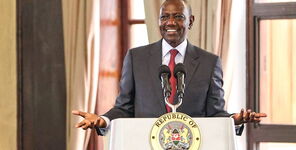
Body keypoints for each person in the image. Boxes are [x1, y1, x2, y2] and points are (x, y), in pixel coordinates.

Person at [72, 0, 267, 135]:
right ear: (158, 21)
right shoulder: (136, 57)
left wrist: (235, 118)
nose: (170, 22)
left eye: (178, 17)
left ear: (190, 21)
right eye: (164, 17)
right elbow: (124, 108)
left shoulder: (209, 62)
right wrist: (102, 120)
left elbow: (215, 114)